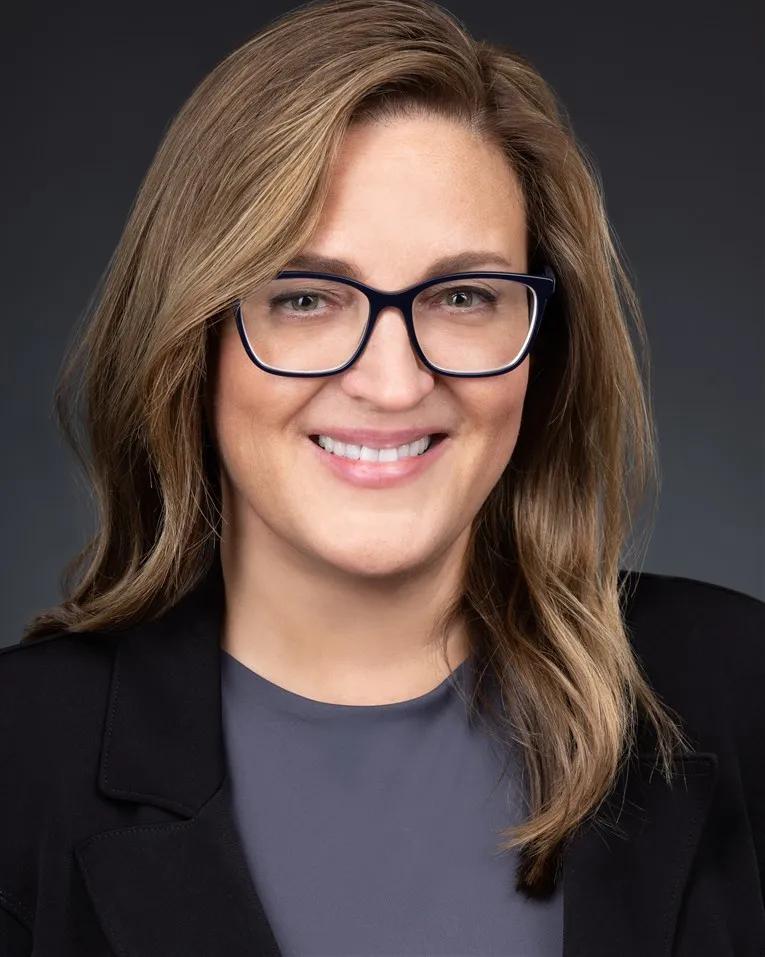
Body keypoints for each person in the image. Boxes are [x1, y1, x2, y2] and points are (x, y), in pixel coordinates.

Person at [1, 0, 763, 953]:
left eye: (464, 295)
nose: (394, 381)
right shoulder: (18, 756)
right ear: (190, 341)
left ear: (544, 348)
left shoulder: (736, 687)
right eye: (307, 296)